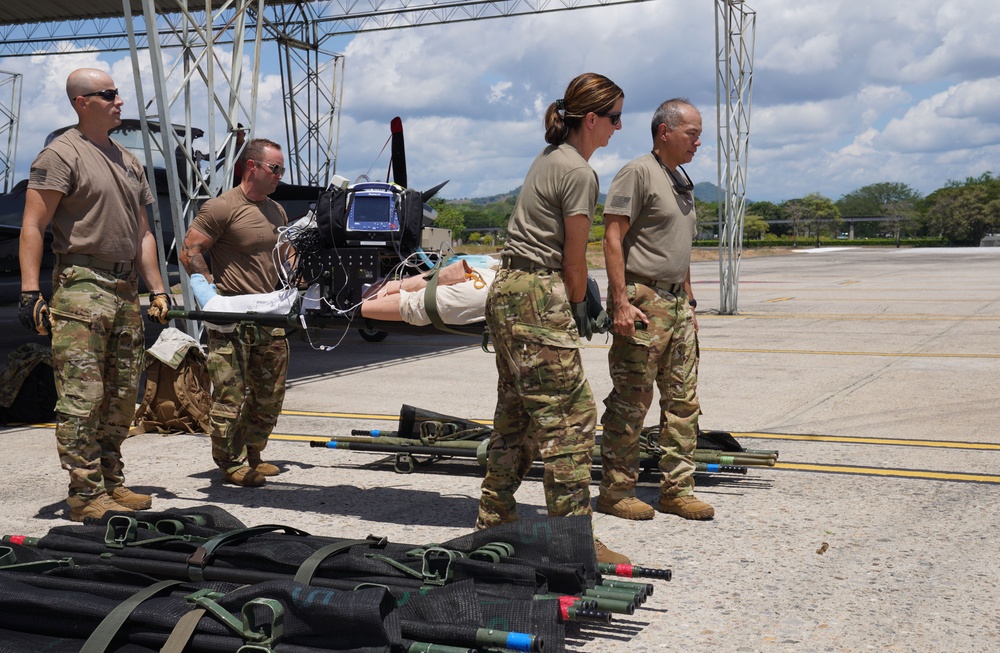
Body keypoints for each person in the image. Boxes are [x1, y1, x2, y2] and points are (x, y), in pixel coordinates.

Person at [474, 72, 630, 565]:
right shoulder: (579, 172)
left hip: (509, 290)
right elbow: (574, 261)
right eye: (614, 118)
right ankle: (572, 539)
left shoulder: (549, 157)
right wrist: (581, 305)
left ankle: (496, 516)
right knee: (571, 418)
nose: (618, 128)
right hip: (539, 294)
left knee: (516, 412)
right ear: (592, 119)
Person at [17, 68, 172, 522]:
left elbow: (143, 234)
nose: (119, 100)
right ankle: (84, 494)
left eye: (118, 93)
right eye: (109, 94)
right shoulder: (60, 154)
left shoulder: (128, 160)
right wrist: (30, 292)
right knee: (83, 397)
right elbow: (33, 225)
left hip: (124, 290)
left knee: (122, 395)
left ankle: (110, 479)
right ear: (82, 102)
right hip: (81, 285)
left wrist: (157, 289)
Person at [596, 98, 714, 522]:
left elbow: (679, 250)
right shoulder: (638, 172)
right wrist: (620, 302)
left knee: (683, 402)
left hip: (677, 304)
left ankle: (677, 491)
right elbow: (612, 239)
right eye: (692, 134)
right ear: (665, 132)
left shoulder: (681, 180)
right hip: (643, 300)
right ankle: (616, 491)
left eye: (699, 135)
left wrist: (690, 302)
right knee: (632, 400)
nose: (698, 142)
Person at [179, 138, 290, 487]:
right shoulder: (221, 207)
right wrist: (210, 294)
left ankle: (254, 453)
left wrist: (296, 278)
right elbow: (190, 250)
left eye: (282, 169)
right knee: (230, 394)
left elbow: (284, 253)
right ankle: (229, 461)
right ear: (251, 167)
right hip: (232, 319)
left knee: (270, 392)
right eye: (275, 168)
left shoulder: (276, 210)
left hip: (269, 315)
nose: (280, 175)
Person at [360, 259, 497, 325]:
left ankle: (358, 305)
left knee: (426, 301)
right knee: (446, 276)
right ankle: (364, 299)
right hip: (499, 282)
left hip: (496, 289)